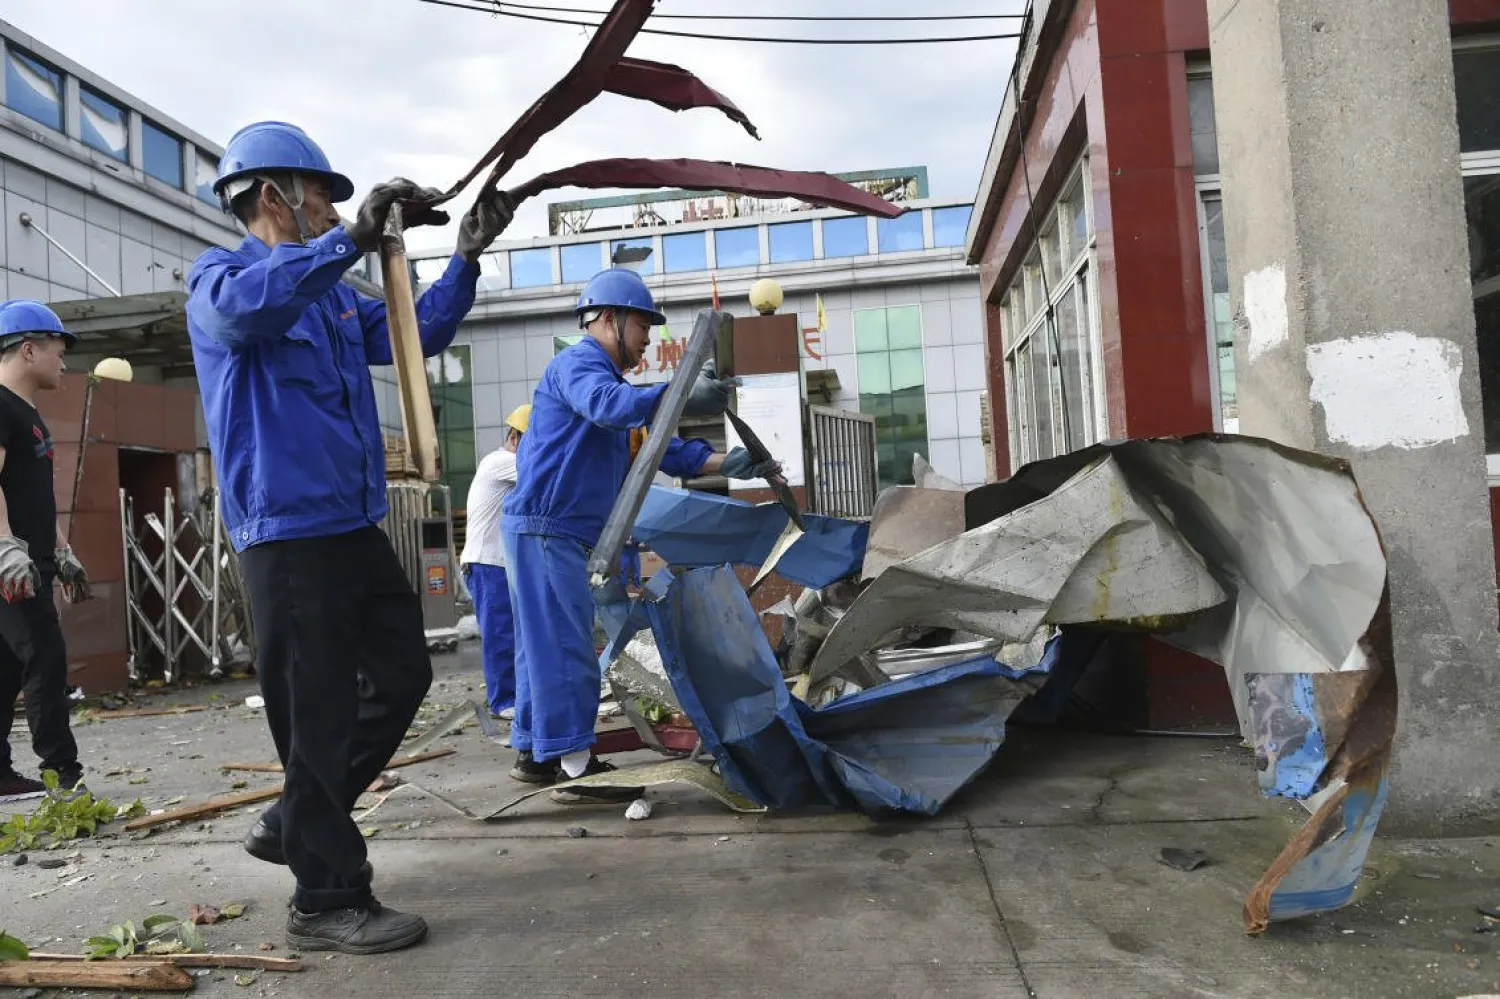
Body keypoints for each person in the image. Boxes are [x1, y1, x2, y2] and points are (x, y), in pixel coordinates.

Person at [186, 121, 513, 954]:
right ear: (274, 196)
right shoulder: (221, 279)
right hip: (287, 534)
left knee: (402, 669)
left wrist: (466, 258)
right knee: (318, 711)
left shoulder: (331, 293)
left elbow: (414, 333)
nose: (335, 211)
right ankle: (326, 898)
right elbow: (249, 314)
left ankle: (299, 812)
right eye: (325, 196)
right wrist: (354, 242)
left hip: (350, 524)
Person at [502, 268, 780, 802]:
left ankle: (537, 755)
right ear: (610, 319)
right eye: (642, 326)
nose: (648, 339)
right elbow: (612, 409)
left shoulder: (610, 386)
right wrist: (680, 392)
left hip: (556, 533)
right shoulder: (581, 365)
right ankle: (576, 770)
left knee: (543, 647)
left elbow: (663, 450)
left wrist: (735, 463)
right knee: (564, 648)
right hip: (546, 528)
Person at [0, 300, 90, 802]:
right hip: (9, 566)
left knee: (7, 666)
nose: (63, 362)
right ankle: (64, 775)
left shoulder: (27, 414)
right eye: (58, 350)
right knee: (46, 656)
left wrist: (62, 549)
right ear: (28, 349)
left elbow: (31, 494)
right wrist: (5, 549)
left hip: (29, 562)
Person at [460, 404, 529, 720]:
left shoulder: (509, 465)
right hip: (488, 562)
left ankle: (513, 694)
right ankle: (503, 700)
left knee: (512, 632)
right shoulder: (500, 462)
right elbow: (545, 472)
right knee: (500, 631)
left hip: (498, 563)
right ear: (514, 437)